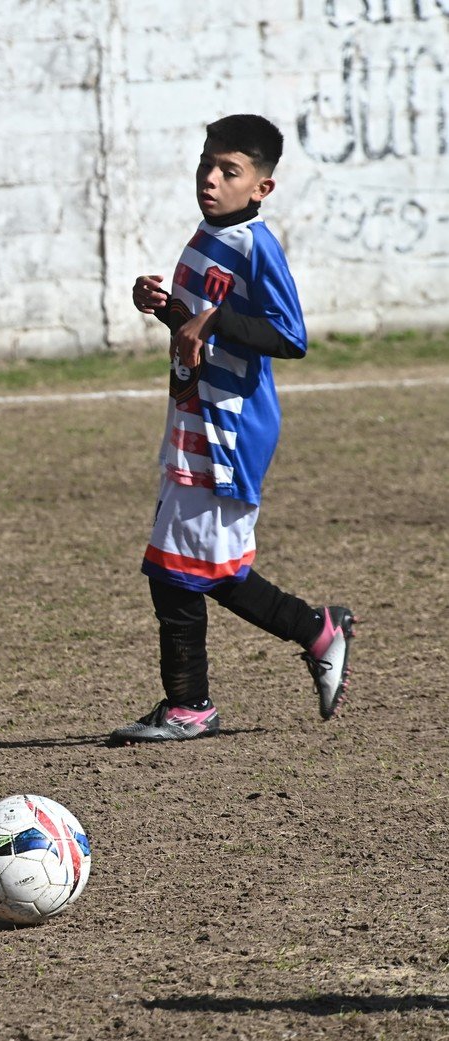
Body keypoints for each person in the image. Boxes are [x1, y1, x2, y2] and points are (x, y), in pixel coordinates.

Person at [110, 114, 353, 745]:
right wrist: (167, 309)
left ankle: (190, 704)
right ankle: (317, 630)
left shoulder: (255, 245)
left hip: (229, 427)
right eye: (205, 166)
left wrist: (211, 322)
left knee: (175, 569)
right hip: (195, 415)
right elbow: (198, 326)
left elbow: (289, 336)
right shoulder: (204, 235)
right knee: (207, 569)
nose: (210, 180)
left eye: (229, 171)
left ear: (261, 188)